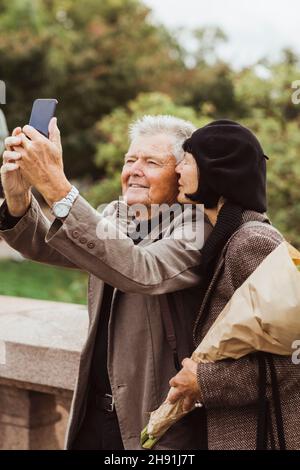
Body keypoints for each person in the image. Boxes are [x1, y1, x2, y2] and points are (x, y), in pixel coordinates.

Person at [0, 115, 211, 450]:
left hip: (154, 426)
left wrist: (57, 186)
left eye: (152, 162)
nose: (135, 170)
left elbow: (142, 269)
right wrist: (18, 198)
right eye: (130, 160)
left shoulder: (198, 229)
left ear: (183, 173)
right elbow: (44, 244)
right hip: (92, 417)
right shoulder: (116, 215)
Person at [168, 119, 300, 450]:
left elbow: (295, 356)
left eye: (187, 160)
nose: (177, 170)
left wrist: (204, 382)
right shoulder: (227, 237)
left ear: (217, 171)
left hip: (266, 435)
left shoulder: (252, 243)